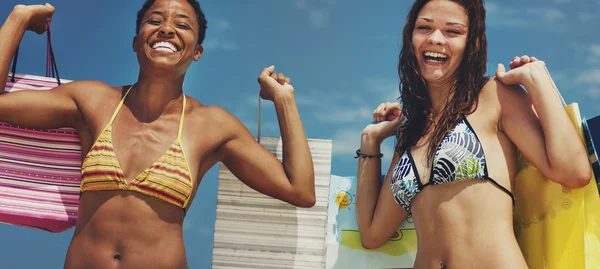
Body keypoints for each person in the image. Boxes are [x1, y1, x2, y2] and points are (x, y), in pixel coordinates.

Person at [0, 1, 316, 268]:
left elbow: (299, 191)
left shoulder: (212, 125)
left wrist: (284, 100)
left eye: (182, 24)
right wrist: (19, 19)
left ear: (197, 52)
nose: (166, 29)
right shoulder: (93, 101)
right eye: (155, 20)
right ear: (137, 42)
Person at [354, 0, 591, 268]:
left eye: (452, 32)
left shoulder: (494, 96)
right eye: (424, 27)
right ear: (410, 37)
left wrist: (538, 81)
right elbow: (373, 235)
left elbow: (574, 173)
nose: (436, 39)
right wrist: (371, 140)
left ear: (471, 43)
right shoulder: (411, 132)